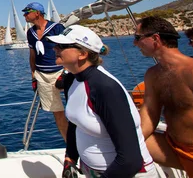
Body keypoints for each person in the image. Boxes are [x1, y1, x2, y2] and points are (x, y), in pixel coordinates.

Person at [49, 25, 158, 178]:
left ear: (82, 54)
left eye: (62, 46)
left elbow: (130, 160)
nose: (55, 49)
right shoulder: (71, 80)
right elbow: (75, 123)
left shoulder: (105, 88)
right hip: (91, 170)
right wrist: (70, 158)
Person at [135, 17, 193, 177]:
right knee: (124, 137)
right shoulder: (152, 74)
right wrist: (132, 142)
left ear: (155, 38)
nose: (135, 44)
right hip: (174, 148)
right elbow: (150, 112)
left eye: (138, 38)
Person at [22, 2, 68, 141]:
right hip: (42, 76)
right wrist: (33, 76)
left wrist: (66, 72)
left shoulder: (57, 28)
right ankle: (69, 145)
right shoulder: (30, 33)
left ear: (37, 13)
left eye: (27, 12)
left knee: (75, 110)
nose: (24, 15)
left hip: (61, 72)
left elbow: (68, 49)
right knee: (57, 112)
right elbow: (32, 55)